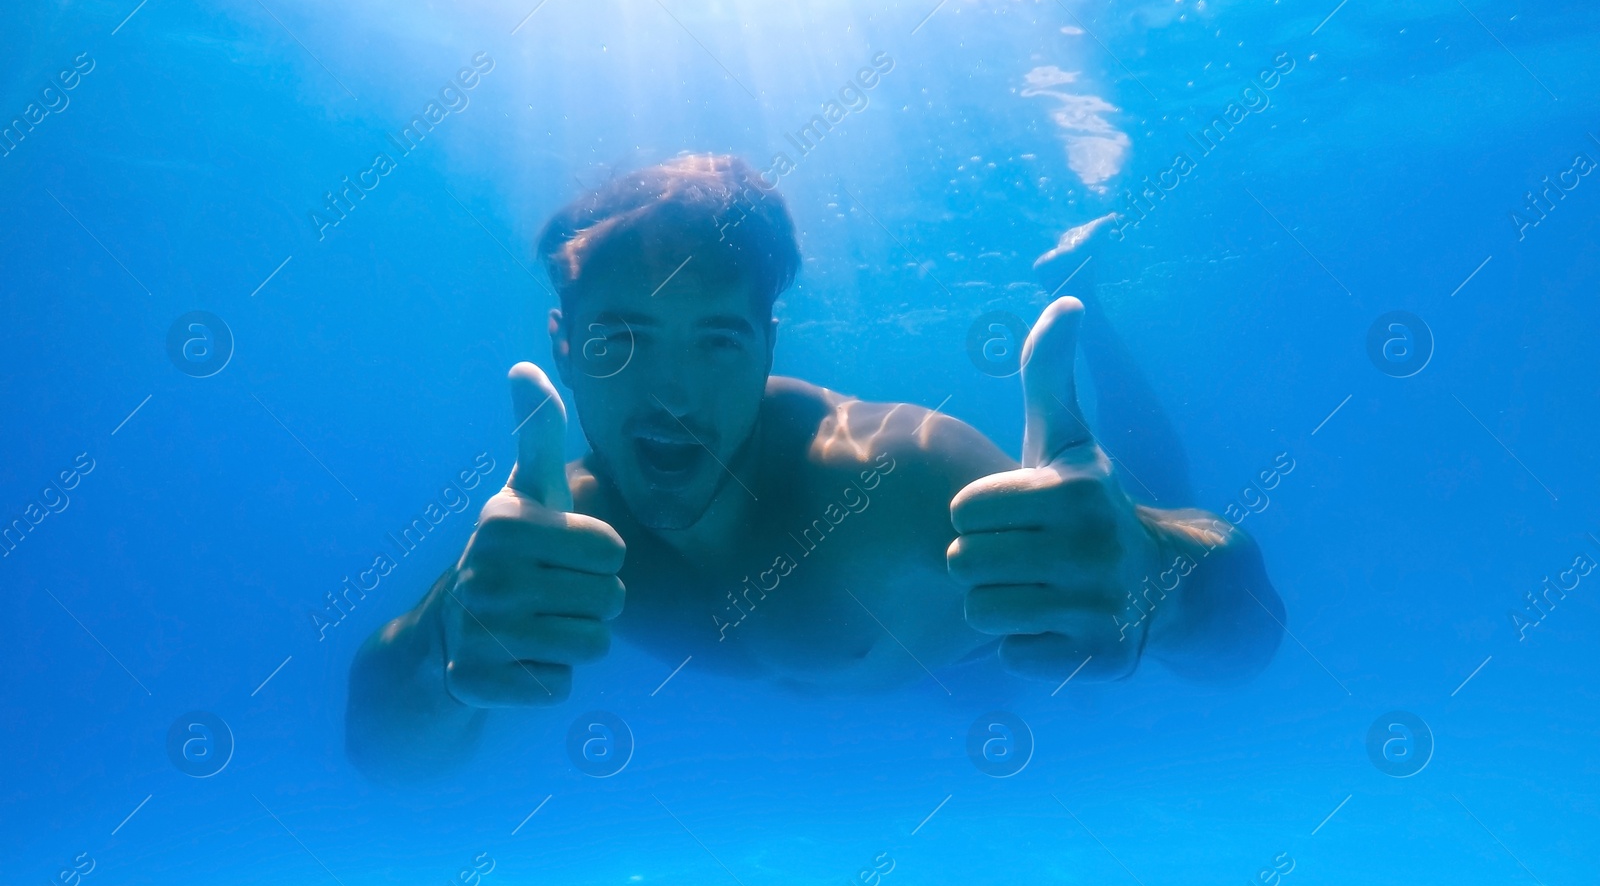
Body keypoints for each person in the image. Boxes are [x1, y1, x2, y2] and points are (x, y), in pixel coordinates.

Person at [346, 154, 1282, 779]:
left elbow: (1250, 639)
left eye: (716, 340)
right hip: (919, 675)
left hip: (974, 651)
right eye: (621, 339)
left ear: (766, 344)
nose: (670, 394)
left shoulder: (893, 478)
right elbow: (380, 757)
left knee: (1156, 499)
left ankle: (1086, 299)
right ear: (563, 343)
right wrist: (439, 647)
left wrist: (1157, 574)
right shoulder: (562, 533)